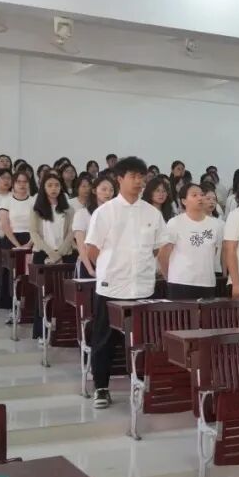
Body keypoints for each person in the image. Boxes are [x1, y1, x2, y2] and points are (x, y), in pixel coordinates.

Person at [84, 156, 167, 409]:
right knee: (104, 340)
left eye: (141, 176)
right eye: (133, 176)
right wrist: (110, 269)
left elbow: (158, 248)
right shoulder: (105, 212)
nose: (138, 181)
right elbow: (92, 249)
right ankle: (101, 387)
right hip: (112, 287)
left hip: (142, 288)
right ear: (119, 179)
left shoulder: (152, 213)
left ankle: (141, 385)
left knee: (142, 341)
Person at [29, 172, 76, 341]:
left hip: (65, 255)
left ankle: (65, 331)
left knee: (64, 294)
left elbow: (71, 233)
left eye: (56, 185)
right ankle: (41, 332)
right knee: (42, 295)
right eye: (49, 185)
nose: (53, 188)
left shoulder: (69, 210)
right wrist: (50, 253)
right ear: (43, 188)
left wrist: (59, 253)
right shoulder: (36, 210)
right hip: (43, 255)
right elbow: (34, 233)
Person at [158, 183, 224, 300]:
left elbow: (214, 252)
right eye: (194, 195)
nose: (200, 198)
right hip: (180, 282)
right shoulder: (175, 223)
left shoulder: (216, 225)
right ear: (184, 201)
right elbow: (163, 254)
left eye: (202, 195)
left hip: (207, 282)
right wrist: (170, 277)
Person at [0, 170, 35, 317]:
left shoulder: (34, 201)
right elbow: (5, 224)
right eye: (19, 182)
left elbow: (38, 225)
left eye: (25, 182)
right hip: (11, 239)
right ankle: (11, 304)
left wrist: (30, 243)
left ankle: (28, 304)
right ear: (13, 184)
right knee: (11, 273)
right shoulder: (6, 200)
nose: (22, 185)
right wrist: (18, 245)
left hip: (31, 239)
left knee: (29, 273)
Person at [73, 175, 115, 279]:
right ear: (94, 191)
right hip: (88, 265)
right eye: (104, 189)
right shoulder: (82, 214)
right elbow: (81, 246)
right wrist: (91, 270)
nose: (108, 193)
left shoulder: (115, 214)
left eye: (111, 190)